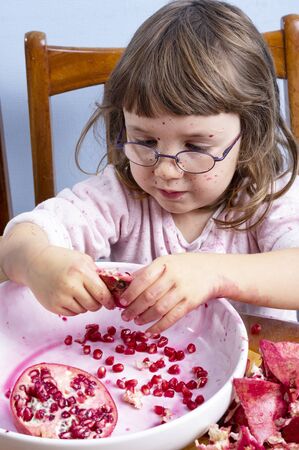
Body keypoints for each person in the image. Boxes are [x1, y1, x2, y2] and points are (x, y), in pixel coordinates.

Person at [0, 0, 298, 334]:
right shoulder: (119, 196)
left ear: (249, 134)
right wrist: (38, 262)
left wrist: (212, 273)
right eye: (145, 141)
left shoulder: (268, 198)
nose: (166, 171)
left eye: (196, 146)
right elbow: (15, 243)